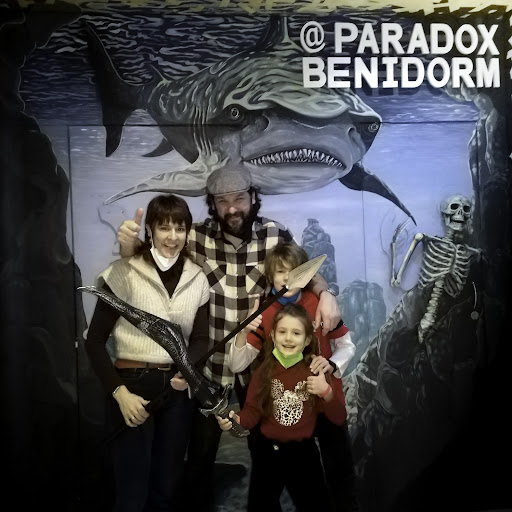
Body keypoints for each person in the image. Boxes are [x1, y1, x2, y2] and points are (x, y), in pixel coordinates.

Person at [117, 165, 341, 511]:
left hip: (261, 363)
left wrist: (327, 294)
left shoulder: (275, 234)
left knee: (266, 453)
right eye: (222, 201)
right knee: (201, 455)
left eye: (239, 198)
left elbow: (308, 275)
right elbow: (151, 260)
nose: (232, 208)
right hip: (210, 365)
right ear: (212, 204)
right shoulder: (194, 236)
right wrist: (129, 246)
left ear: (253, 197)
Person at [85, 194, 210, 512]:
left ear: (187, 232)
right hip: (132, 386)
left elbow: (200, 339)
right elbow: (94, 341)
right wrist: (120, 393)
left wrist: (187, 370)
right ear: (150, 230)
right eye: (164, 227)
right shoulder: (124, 272)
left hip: (176, 393)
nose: (172, 236)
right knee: (132, 492)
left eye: (179, 228)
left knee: (165, 489)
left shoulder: (197, 278)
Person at [228, 242, 359, 512]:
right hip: (288, 405)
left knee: (339, 467)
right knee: (282, 480)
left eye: (294, 271)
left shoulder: (321, 304)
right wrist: (243, 332)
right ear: (270, 275)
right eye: (280, 272)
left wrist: (331, 365)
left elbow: (346, 345)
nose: (287, 278)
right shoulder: (264, 310)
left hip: (325, 398)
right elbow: (238, 363)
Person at [217, 303, 346, 512]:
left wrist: (326, 392)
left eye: (296, 333)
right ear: (273, 336)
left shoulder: (315, 372)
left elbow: (338, 417)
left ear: (307, 339)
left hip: (304, 455)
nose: (288, 338)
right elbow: (252, 412)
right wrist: (235, 421)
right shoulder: (263, 373)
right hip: (268, 453)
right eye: (282, 332)